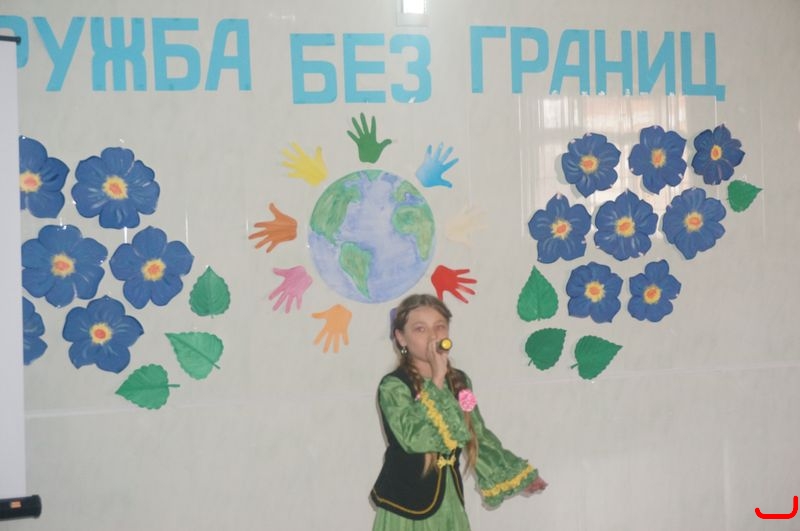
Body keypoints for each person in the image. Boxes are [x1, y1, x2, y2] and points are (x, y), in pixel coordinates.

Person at [370, 293, 547, 530]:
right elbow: (413, 438)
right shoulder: (394, 386)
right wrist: (437, 379)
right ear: (401, 338)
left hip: (448, 499)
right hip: (406, 505)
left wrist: (517, 476)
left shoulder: (460, 383)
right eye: (420, 329)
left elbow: (476, 433)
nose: (433, 336)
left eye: (440, 327)